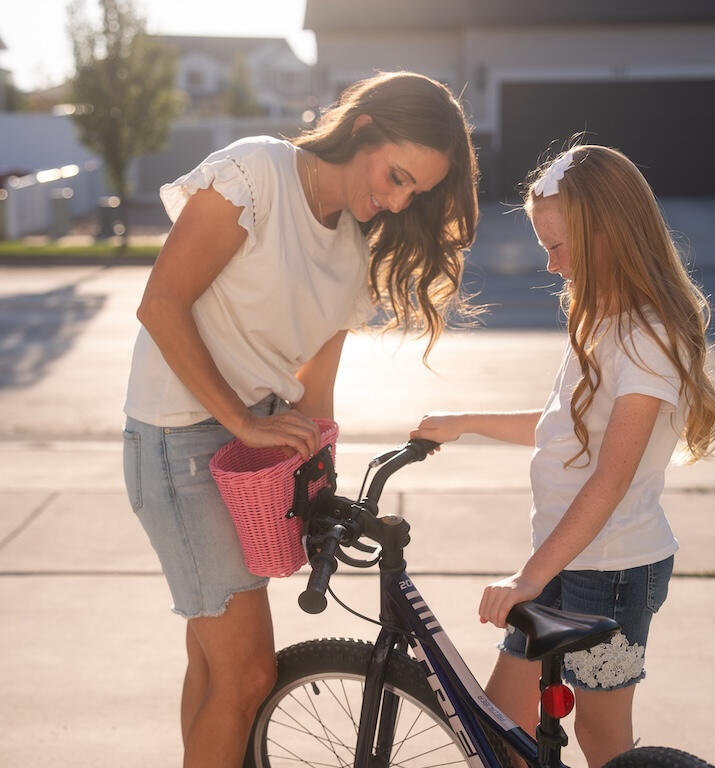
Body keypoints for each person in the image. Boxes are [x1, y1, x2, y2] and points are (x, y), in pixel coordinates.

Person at [122, 71, 478, 768]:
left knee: (214, 663)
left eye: (416, 192)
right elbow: (160, 305)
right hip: (177, 442)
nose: (398, 199)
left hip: (250, 456)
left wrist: (318, 488)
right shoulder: (255, 174)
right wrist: (244, 421)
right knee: (250, 674)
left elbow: (315, 390)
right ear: (365, 129)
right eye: (398, 176)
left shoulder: (353, 248)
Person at [411, 145, 715, 768]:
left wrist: (529, 576)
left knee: (603, 743)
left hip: (610, 569)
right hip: (562, 555)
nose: (550, 266)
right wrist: (467, 423)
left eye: (557, 247)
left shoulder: (648, 336)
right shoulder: (602, 319)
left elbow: (611, 477)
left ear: (607, 235)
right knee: (504, 732)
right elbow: (564, 429)